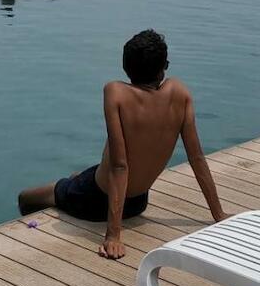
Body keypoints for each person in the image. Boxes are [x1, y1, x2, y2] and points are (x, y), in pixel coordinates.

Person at [17, 29, 228, 259]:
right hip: (137, 202)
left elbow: (120, 166)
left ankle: (26, 233)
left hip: (95, 200)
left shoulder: (116, 93)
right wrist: (219, 214)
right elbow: (196, 158)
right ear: (164, 66)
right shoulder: (180, 94)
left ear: (126, 68)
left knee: (26, 197)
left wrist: (113, 236)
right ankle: (71, 185)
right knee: (77, 176)